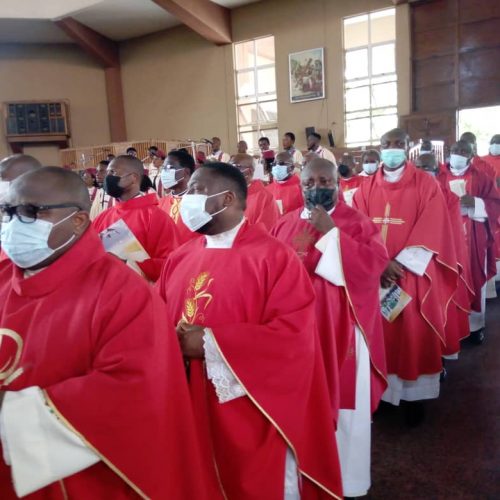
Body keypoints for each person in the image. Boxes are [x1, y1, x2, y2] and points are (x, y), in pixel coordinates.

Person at [0, 167, 207, 499]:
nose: (13, 223)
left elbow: (135, 389)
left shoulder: (123, 293)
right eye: (7, 212)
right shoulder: (3, 276)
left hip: (81, 480)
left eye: (30, 212)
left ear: (78, 221)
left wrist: (12, 411)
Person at [157, 162, 343, 499]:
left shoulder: (274, 258)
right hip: (187, 400)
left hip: (247, 411)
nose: (187, 199)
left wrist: (211, 343)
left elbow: (293, 337)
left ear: (227, 198)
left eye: (197, 190)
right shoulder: (179, 257)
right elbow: (157, 317)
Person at [272, 158, 388, 498]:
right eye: (309, 183)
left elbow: (371, 269)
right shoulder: (284, 224)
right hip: (294, 332)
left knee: (345, 407)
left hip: (342, 329)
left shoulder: (358, 224)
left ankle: (347, 482)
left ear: (338, 184)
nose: (316, 188)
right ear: (300, 185)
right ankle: (300, 478)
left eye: (325, 181)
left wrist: (333, 234)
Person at [353, 128, 459, 425]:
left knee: (412, 332)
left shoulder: (426, 184)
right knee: (379, 334)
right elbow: (357, 228)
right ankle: (383, 394)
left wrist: (398, 265)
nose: (392, 148)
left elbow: (433, 226)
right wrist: (379, 264)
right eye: (386, 144)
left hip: (411, 272)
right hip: (376, 274)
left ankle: (415, 397)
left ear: (408, 147)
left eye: (399, 143)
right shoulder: (365, 188)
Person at [436, 140, 500, 343]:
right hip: (445, 235)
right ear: (450, 152)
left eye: (464, 151)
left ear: (472, 155)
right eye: (456, 150)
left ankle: (475, 327)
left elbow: (495, 203)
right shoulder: (438, 175)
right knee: (446, 277)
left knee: (474, 276)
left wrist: (476, 202)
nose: (459, 153)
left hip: (473, 235)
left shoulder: (481, 177)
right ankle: (448, 325)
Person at [416, 153, 474, 359]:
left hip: (438, 262)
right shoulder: (407, 194)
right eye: (419, 168)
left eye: (429, 169)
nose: (424, 173)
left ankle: (438, 357)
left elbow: (450, 235)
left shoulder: (448, 197)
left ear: (437, 171)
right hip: (407, 264)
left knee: (437, 309)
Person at [93, 155, 180, 282]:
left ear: (133, 177)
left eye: (113, 172)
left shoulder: (156, 217)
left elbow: (172, 265)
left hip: (140, 289)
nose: (108, 177)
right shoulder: (102, 217)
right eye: (107, 173)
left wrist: (129, 261)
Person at [158, 150, 199, 244]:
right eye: (163, 168)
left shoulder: (200, 203)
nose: (164, 173)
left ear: (186, 172)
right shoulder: (161, 203)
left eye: (169, 168)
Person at [230, 154, 279, 231]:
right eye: (229, 167)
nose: (230, 172)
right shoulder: (227, 193)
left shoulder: (265, 198)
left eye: (236, 167)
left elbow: (265, 231)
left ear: (249, 171)